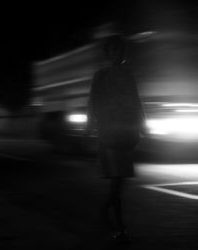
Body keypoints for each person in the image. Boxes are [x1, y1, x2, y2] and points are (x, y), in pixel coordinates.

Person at [87, 35, 146, 243]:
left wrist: (142, 124)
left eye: (120, 51)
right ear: (108, 53)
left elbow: (136, 100)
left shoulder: (128, 75)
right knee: (116, 180)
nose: (118, 54)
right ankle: (120, 227)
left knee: (120, 181)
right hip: (108, 132)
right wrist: (90, 126)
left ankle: (105, 212)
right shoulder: (100, 75)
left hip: (127, 133)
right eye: (113, 50)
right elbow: (92, 101)